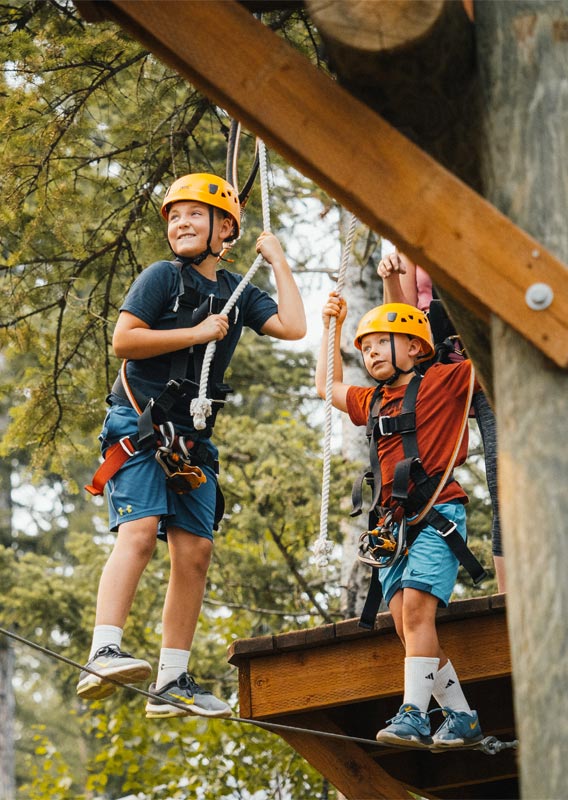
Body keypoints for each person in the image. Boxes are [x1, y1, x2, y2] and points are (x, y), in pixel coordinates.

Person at [77, 173, 306, 718]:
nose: (180, 223)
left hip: (191, 444)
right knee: (136, 531)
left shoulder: (236, 290)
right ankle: (102, 650)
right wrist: (196, 333)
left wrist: (276, 260)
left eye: (194, 215)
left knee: (195, 552)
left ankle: (172, 679)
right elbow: (124, 340)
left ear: (224, 228)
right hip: (140, 425)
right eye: (174, 216)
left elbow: (293, 326)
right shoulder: (162, 277)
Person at [315, 293, 483, 748]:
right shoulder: (371, 400)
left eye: (380, 343)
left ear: (415, 347)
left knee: (415, 611)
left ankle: (413, 712)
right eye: (364, 348)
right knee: (405, 624)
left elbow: (491, 358)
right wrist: (331, 329)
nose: (369, 353)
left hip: (436, 513)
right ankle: (462, 716)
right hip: (391, 528)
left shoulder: (446, 382)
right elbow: (327, 389)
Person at [377, 249, 505, 592]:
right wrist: (391, 278)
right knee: (420, 474)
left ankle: (512, 593)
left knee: (502, 474)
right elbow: (400, 318)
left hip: (486, 358)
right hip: (437, 371)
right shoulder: (414, 239)